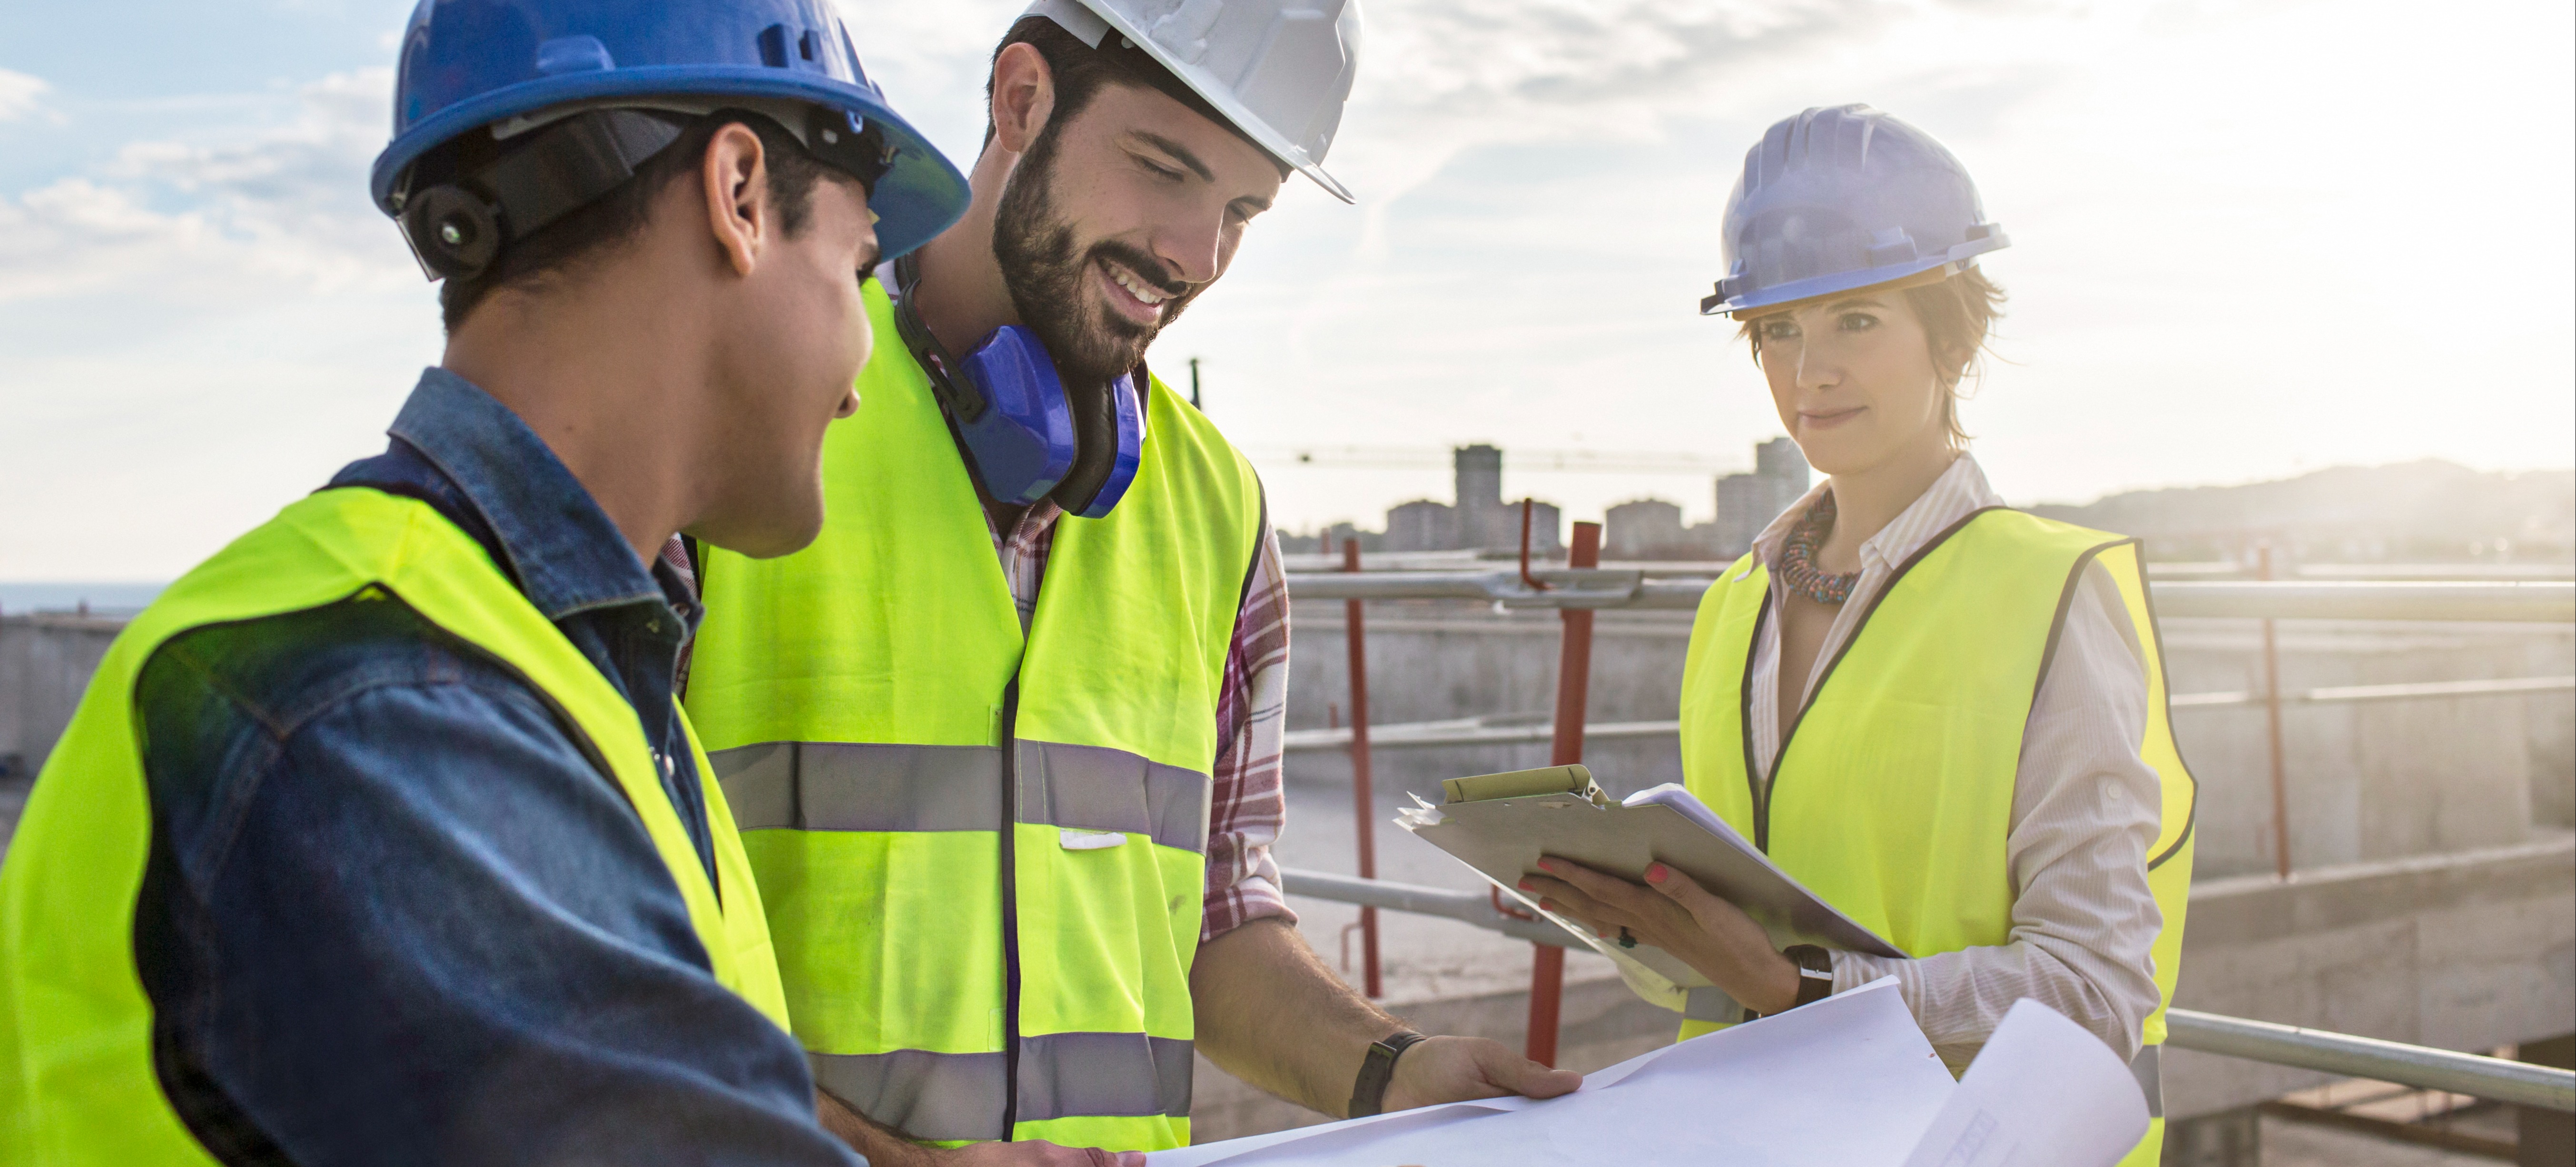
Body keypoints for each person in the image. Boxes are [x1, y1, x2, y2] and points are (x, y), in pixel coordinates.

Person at [0, 1, 974, 1163]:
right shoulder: (377, 706)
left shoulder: (566, 672)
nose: (866, 373)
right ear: (742, 195)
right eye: (860, 269)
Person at [679, 0, 1583, 1159]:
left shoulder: (1219, 512)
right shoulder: (742, 420)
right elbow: (595, 943)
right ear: (1019, 102)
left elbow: (1214, 923)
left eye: (1243, 212)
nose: (1193, 255)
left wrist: (1391, 1070)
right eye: (1164, 169)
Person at [1515, 105, 2196, 1167]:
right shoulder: (1732, 604)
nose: (1809, 371)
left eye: (1855, 321)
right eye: (1777, 331)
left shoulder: (2049, 591)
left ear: (1953, 337)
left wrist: (1805, 991)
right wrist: (1627, 916)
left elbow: (2096, 990)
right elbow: (1721, 963)